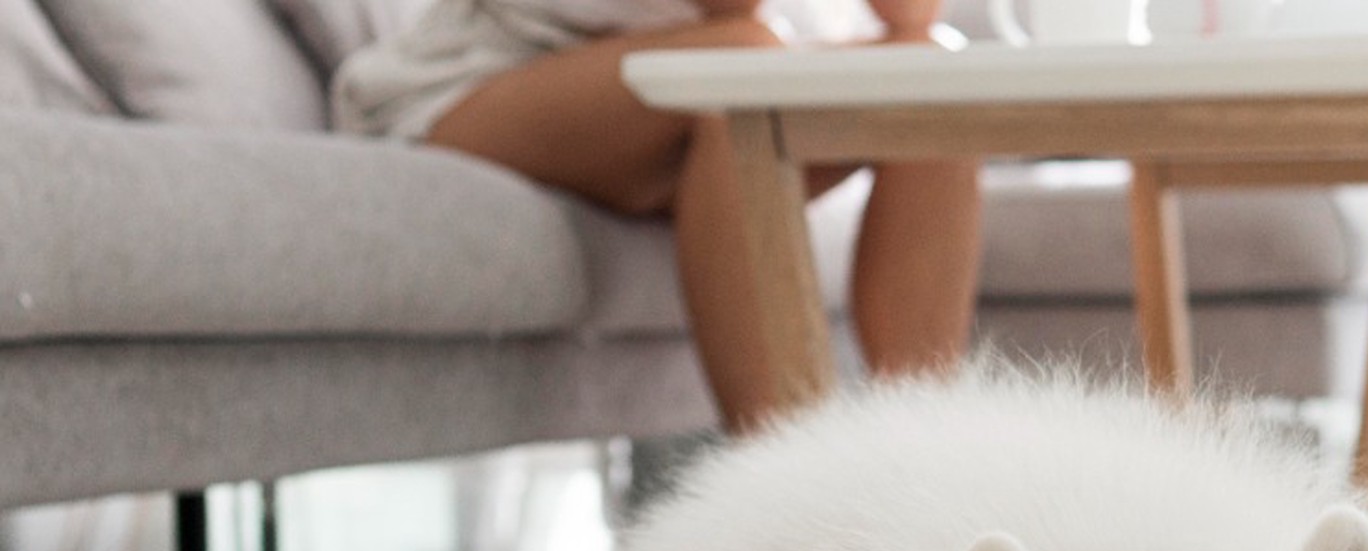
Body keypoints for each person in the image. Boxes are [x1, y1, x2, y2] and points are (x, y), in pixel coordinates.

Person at [335, 0, 982, 430]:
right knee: (742, 69)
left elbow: (911, 12)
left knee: (929, 73)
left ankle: (922, 454)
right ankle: (792, 488)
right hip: (474, 85)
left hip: (670, 100)